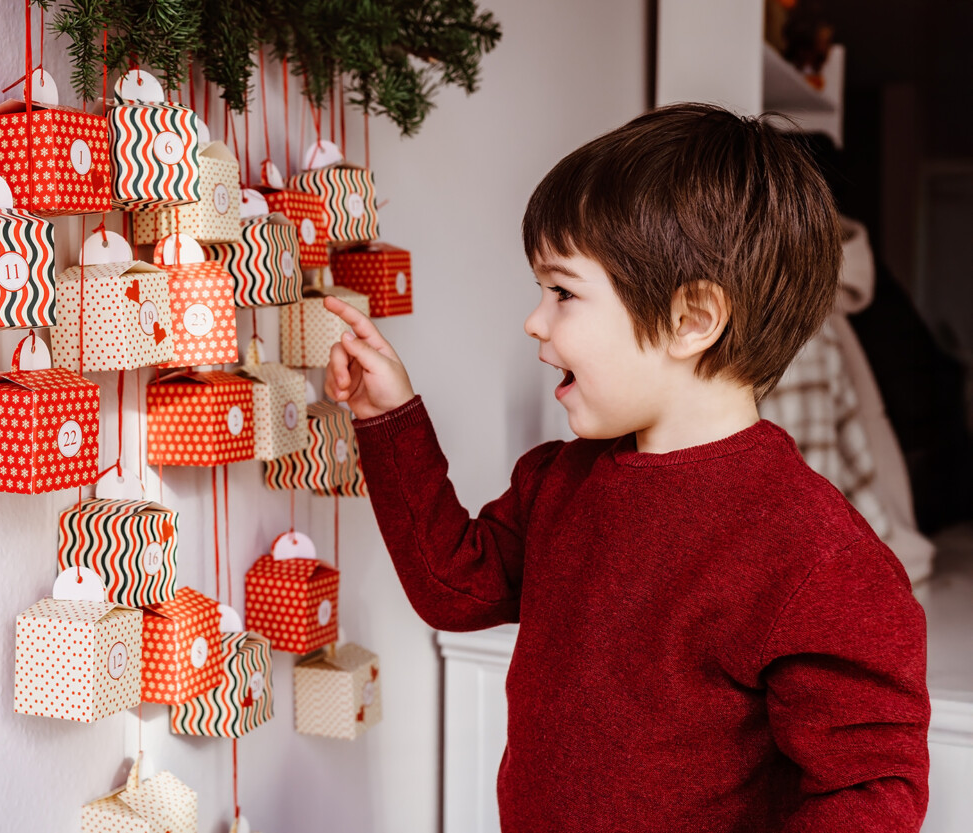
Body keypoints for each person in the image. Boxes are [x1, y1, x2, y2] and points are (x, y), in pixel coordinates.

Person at [322, 103, 930, 832]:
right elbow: (453, 585)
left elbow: (868, 794)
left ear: (692, 318)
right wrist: (388, 417)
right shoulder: (560, 481)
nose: (535, 321)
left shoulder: (818, 557)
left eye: (563, 292)